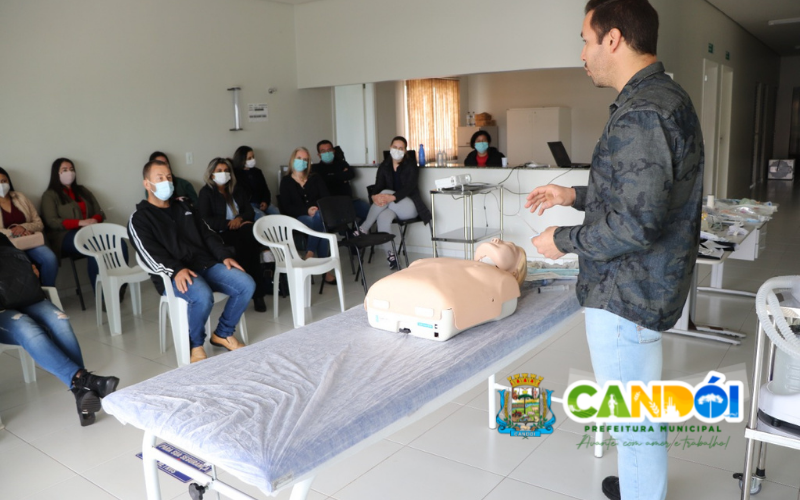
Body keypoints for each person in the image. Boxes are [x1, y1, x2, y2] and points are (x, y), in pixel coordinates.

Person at [525, 1, 704, 499]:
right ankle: (641, 485)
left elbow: (634, 224)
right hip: (644, 286)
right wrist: (573, 196)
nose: (582, 54)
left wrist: (559, 241)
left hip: (627, 291)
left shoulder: (643, 113)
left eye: (585, 40)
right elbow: (642, 192)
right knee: (637, 408)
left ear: (614, 39)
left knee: (633, 417)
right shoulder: (663, 98)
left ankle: (643, 492)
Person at [128, 160, 255, 363]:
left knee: (246, 283)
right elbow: (149, 254)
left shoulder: (185, 206)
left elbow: (208, 235)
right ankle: (195, 345)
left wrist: (224, 256)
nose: (166, 182)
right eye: (159, 178)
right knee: (202, 295)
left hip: (205, 264)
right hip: (173, 275)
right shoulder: (140, 218)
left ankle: (223, 333)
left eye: (169, 177)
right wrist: (176, 269)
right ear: (147, 184)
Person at [0, 233, 120, 426]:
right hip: (3, 311)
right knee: (28, 328)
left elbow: (14, 257)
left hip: (24, 295)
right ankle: (86, 381)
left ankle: (81, 390)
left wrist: (29, 268)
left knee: (60, 321)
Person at [365, 239, 526, 338]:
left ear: (514, 272)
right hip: (400, 293)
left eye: (509, 246)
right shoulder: (459, 265)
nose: (496, 239)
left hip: (427, 300)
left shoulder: (504, 280)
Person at [41, 158, 128, 295]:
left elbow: (99, 212)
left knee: (119, 243)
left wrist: (93, 220)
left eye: (71, 169)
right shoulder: (50, 195)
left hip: (91, 230)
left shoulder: (82, 190)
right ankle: (103, 295)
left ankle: (120, 287)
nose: (69, 172)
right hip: (65, 236)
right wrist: (80, 223)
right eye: (64, 170)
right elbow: (52, 221)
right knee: (94, 250)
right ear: (56, 173)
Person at [197, 157, 268, 312]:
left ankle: (255, 293)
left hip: (241, 229)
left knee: (248, 235)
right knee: (248, 244)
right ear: (211, 174)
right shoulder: (206, 193)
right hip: (220, 234)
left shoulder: (236, 189)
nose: (224, 174)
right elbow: (205, 219)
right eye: (220, 171)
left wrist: (240, 219)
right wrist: (229, 223)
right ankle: (254, 292)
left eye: (226, 171)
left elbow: (249, 211)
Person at [356, 136, 431, 270]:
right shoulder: (384, 166)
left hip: (410, 207)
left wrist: (392, 197)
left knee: (385, 192)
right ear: (390, 148)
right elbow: (377, 187)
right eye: (395, 147)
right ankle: (391, 256)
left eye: (401, 148)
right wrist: (374, 197)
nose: (398, 150)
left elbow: (410, 187)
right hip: (391, 207)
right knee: (382, 216)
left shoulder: (411, 165)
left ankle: (364, 228)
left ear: (405, 151)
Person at [279, 147, 336, 284]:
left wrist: (315, 208)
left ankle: (310, 252)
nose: (302, 162)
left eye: (305, 159)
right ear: (293, 159)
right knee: (321, 226)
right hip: (299, 218)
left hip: (319, 214)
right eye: (299, 158)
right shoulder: (286, 181)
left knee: (319, 219)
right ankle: (325, 271)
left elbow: (325, 197)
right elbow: (286, 207)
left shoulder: (315, 178)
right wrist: (306, 210)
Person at [0, 167, 59, 286]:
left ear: (9, 181)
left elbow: (38, 223)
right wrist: (12, 232)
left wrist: (24, 228)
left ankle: (48, 292)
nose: (1, 185)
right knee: (22, 266)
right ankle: (32, 298)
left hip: (29, 242)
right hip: (7, 247)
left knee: (50, 258)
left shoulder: (20, 197)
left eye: (4, 181)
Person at [312, 140, 369, 223]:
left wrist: (328, 177)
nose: (327, 153)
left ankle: (355, 232)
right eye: (323, 151)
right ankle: (348, 233)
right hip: (329, 204)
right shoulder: (315, 168)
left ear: (333, 151)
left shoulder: (342, 163)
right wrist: (341, 176)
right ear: (319, 155)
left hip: (348, 201)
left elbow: (351, 174)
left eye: (329, 150)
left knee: (369, 212)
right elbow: (319, 182)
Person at [231, 145, 279, 219]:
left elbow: (265, 189)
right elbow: (238, 195)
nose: (252, 160)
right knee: (261, 217)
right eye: (249, 158)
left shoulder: (257, 172)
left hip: (261, 202)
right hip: (248, 205)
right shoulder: (235, 174)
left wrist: (265, 201)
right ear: (242, 159)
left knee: (277, 213)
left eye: (253, 157)